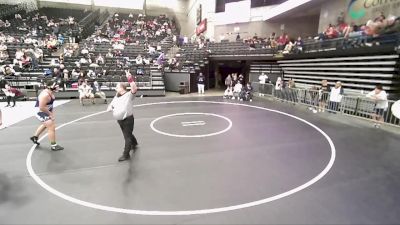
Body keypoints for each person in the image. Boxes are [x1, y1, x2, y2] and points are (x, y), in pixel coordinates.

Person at [107, 78, 138, 162]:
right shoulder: (117, 96)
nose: (116, 88)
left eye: (117, 87)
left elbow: (134, 89)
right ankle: (134, 143)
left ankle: (126, 154)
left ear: (122, 88)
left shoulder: (129, 95)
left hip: (127, 119)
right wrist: (110, 107)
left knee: (126, 136)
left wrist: (130, 79)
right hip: (120, 120)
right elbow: (112, 104)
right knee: (127, 133)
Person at [30, 80, 64, 151]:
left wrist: (51, 113)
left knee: (47, 124)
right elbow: (41, 107)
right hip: (40, 111)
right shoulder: (45, 95)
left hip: (46, 109)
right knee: (51, 126)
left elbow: (50, 105)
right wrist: (50, 114)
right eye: (56, 86)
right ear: (51, 87)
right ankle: (54, 145)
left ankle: (35, 137)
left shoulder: (51, 93)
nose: (58, 87)